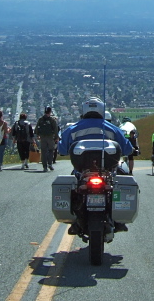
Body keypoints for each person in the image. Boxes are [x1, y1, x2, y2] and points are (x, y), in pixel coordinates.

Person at [58, 97, 136, 235]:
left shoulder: (73, 129)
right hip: (107, 172)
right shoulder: (112, 129)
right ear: (101, 110)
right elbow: (127, 149)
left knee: (72, 187)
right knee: (121, 180)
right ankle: (118, 220)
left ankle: (76, 220)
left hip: (82, 172)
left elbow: (62, 150)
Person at [35, 106, 60, 172]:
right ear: (50, 112)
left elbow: (37, 128)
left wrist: (37, 135)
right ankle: (50, 163)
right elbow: (55, 129)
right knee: (51, 150)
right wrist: (56, 137)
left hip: (42, 137)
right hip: (50, 137)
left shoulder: (41, 119)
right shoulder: (52, 120)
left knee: (43, 151)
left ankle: (44, 166)